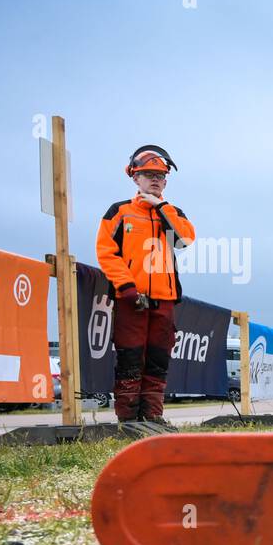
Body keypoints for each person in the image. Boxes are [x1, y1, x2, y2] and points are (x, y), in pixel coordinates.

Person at [95, 145, 196, 429]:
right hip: (132, 299)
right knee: (130, 356)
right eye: (148, 174)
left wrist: (161, 208)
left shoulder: (173, 212)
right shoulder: (120, 212)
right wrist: (125, 285)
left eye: (160, 175)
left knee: (158, 359)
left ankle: (153, 416)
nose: (155, 179)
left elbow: (185, 239)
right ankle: (127, 419)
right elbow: (105, 251)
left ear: (166, 181)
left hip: (164, 298)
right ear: (134, 178)